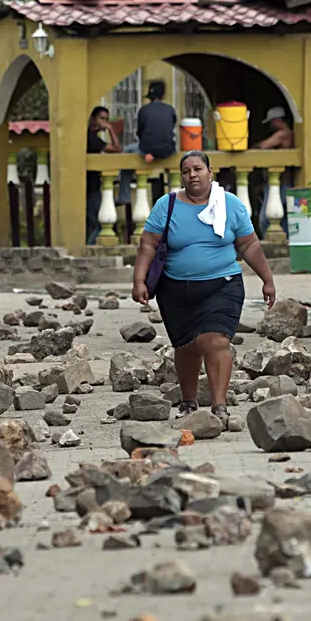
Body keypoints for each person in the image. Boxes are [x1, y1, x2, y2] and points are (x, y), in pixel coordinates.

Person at [132, 151, 277, 421]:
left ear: (211, 171)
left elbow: (249, 244)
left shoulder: (230, 204)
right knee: (186, 347)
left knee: (215, 341)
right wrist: (139, 280)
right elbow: (148, 243)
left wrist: (267, 280)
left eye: (198, 169)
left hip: (222, 285)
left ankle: (219, 407)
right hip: (174, 290)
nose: (192, 175)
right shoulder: (168, 205)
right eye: (186, 171)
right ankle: (188, 402)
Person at [253, 105, 295, 238]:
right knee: (280, 219)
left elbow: (262, 146)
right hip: (274, 184)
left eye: (271, 122)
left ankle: (273, 247)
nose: (270, 126)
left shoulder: (284, 134)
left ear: (277, 120)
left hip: (281, 184)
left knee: (266, 220)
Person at [87, 106, 121, 244]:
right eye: (102, 118)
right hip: (90, 187)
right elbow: (117, 149)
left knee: (94, 222)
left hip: (92, 185)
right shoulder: (90, 137)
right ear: (93, 119)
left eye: (107, 120)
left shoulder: (93, 137)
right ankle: (88, 248)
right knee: (100, 223)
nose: (105, 122)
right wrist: (111, 129)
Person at [136, 80, 177, 164]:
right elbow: (170, 128)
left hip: (147, 150)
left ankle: (125, 178)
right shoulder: (170, 109)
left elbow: (140, 132)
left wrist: (148, 151)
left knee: (129, 149)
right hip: (168, 150)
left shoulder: (143, 110)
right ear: (163, 95)